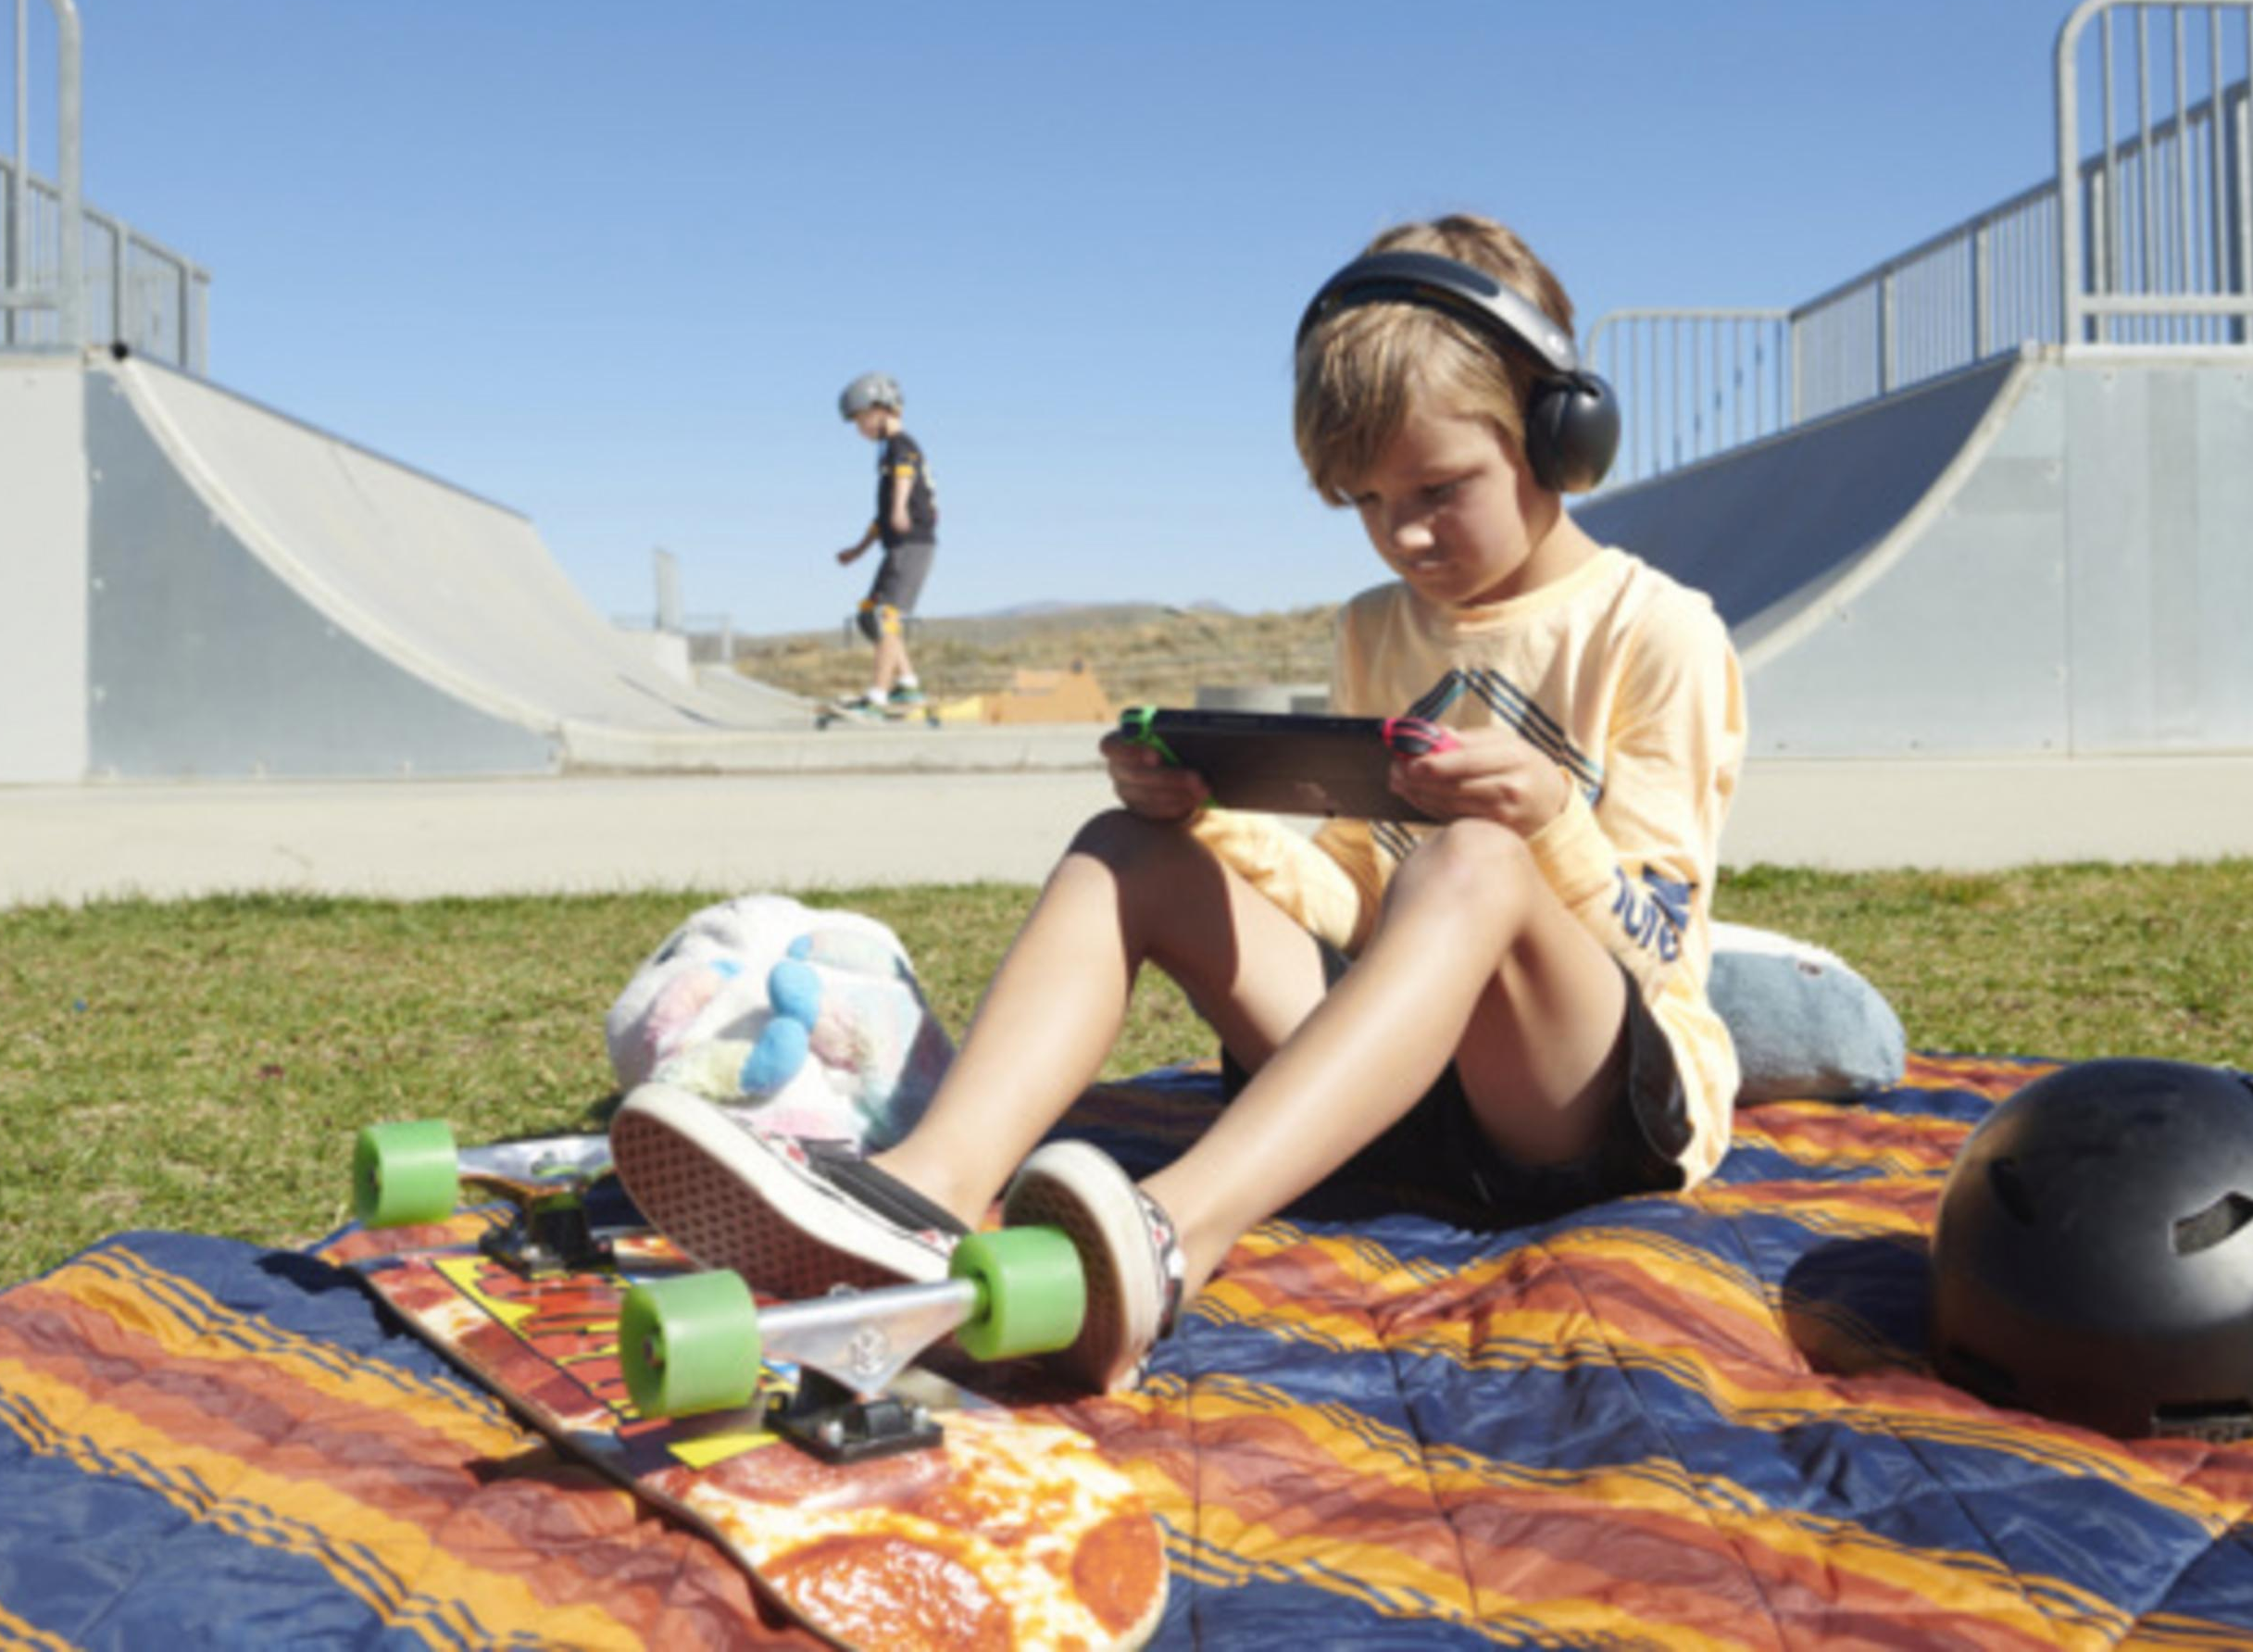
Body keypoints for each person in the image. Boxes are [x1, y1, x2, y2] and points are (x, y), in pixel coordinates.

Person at [619, 218, 1745, 1391]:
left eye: (1438, 489)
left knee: (1468, 862)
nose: (1401, 534)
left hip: (1575, 1111)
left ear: (1559, 434)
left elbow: (1660, 954)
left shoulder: (1656, 632)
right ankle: (921, 1191)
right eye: (1363, 501)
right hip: (1397, 1095)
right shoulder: (1375, 625)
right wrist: (1207, 812)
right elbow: (1358, 910)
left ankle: (1170, 1235)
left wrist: (1547, 820)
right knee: (1127, 847)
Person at [832, 370, 937, 710]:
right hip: (896, 546)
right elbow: (879, 519)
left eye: (860, 420)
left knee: (886, 616)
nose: (859, 429)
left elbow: (906, 474)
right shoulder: (886, 454)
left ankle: (877, 696)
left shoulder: (900, 446)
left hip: (913, 544)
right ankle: (907, 685)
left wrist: (899, 509)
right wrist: (858, 550)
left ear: (881, 409)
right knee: (868, 616)